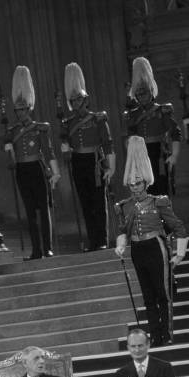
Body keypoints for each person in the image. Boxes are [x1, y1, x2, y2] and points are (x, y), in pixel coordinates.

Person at [115, 135, 187, 346]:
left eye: (138, 184)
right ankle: (154, 336)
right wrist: (120, 245)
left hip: (156, 247)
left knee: (162, 294)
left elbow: (179, 227)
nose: (135, 188)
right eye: (131, 184)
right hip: (138, 249)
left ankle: (166, 334)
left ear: (145, 182)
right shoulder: (124, 206)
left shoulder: (159, 202)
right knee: (147, 296)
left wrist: (179, 254)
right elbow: (123, 231)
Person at [5, 66, 60, 260]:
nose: (19, 113)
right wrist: (9, 154)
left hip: (37, 168)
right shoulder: (12, 131)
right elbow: (10, 154)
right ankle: (36, 249)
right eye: (17, 110)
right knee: (30, 211)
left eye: (22, 109)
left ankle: (48, 248)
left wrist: (55, 172)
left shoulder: (39, 128)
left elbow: (49, 151)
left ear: (29, 108)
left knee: (43, 210)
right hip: (22, 169)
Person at [61, 62, 115, 251]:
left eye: (79, 100)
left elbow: (108, 144)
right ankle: (93, 241)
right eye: (73, 101)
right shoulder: (67, 123)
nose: (76, 104)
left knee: (99, 203)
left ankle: (102, 240)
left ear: (86, 100)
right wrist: (65, 148)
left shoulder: (97, 118)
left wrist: (111, 167)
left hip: (95, 162)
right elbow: (66, 145)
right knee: (85, 203)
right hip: (78, 162)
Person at [124, 56, 182, 196]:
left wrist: (174, 155)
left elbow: (175, 132)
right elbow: (128, 138)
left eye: (145, 93)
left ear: (151, 91)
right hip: (140, 155)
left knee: (161, 192)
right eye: (139, 94)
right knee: (144, 194)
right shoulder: (132, 115)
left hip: (159, 154)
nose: (142, 97)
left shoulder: (162, 110)